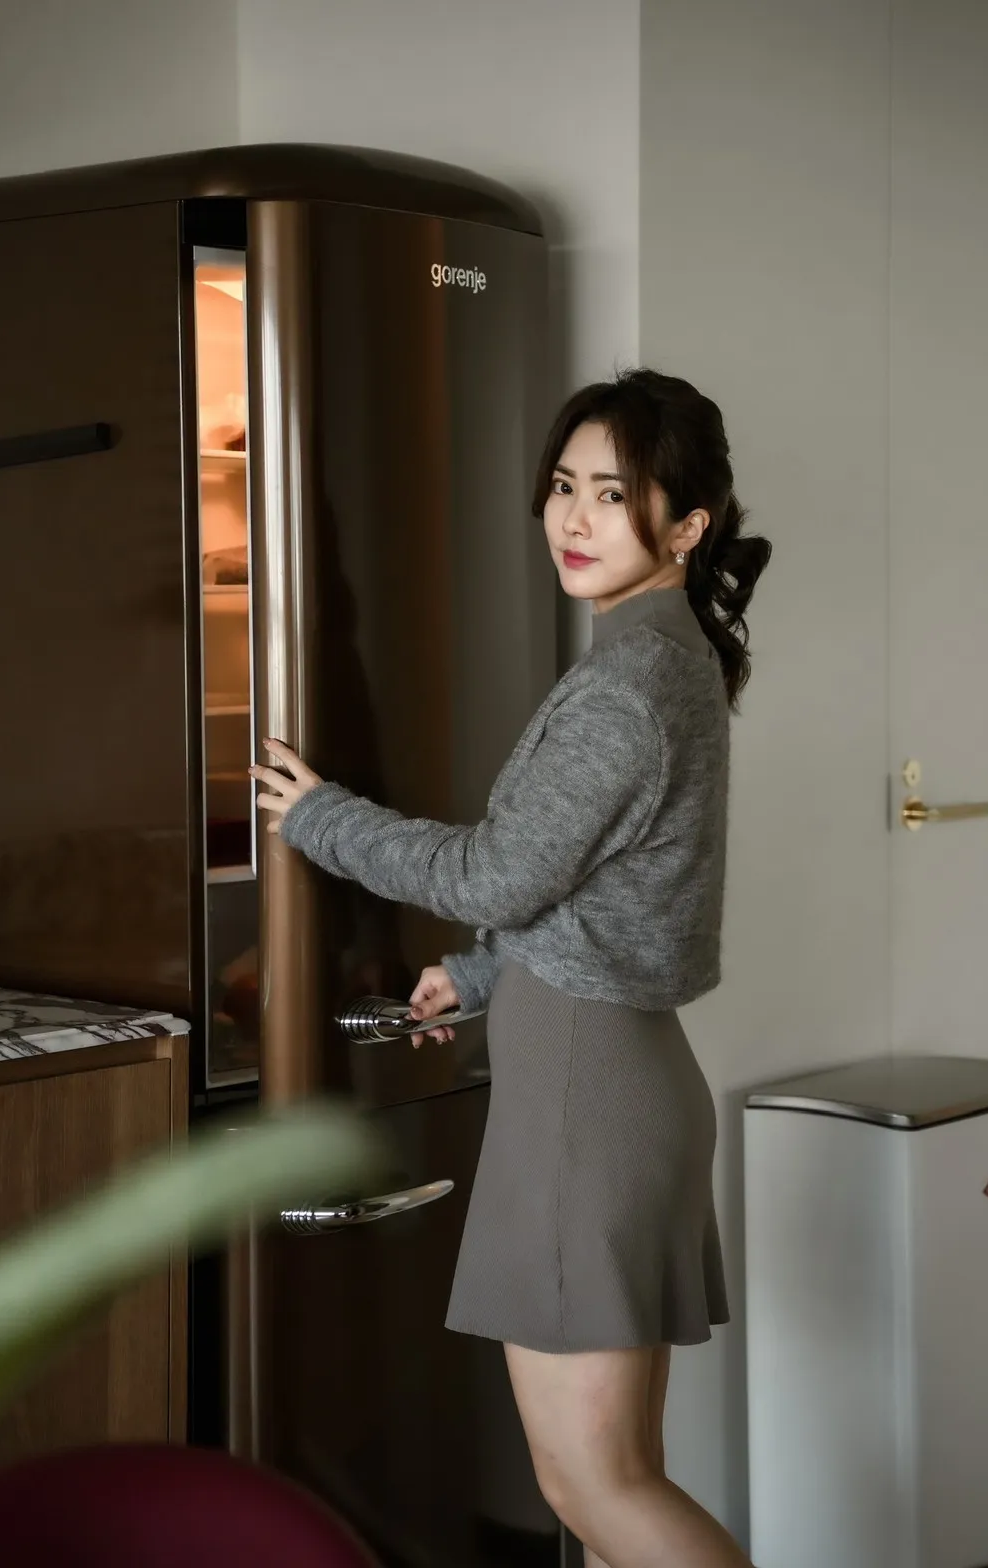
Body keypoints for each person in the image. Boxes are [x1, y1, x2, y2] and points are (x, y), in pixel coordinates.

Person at [251, 368, 771, 1567]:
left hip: (583, 1106)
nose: (573, 518)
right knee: (615, 1477)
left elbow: (493, 875)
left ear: (684, 527)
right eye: (562, 485)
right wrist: (485, 977)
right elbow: (602, 884)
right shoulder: (663, 656)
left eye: (612, 494)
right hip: (613, 1080)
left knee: (593, 1483)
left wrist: (320, 815)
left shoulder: (626, 686)